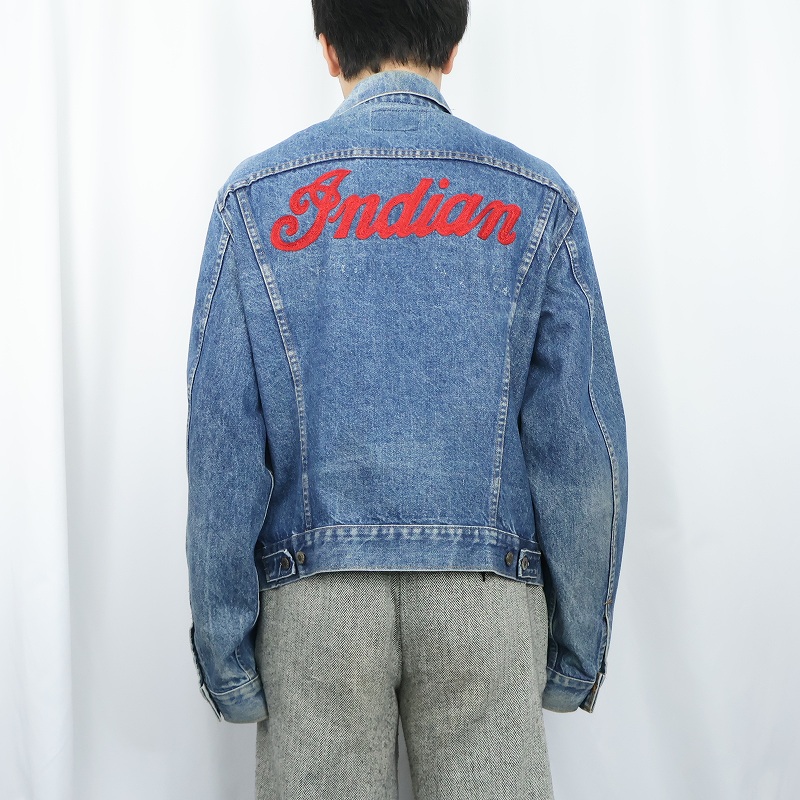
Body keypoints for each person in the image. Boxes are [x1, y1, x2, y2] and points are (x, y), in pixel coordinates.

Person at [185, 1, 628, 798]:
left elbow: (222, 444)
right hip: (487, 598)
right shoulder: (539, 198)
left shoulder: (253, 200)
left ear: (327, 48)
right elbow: (580, 445)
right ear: (453, 46)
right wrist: (578, 648)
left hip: (314, 601)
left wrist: (227, 654)